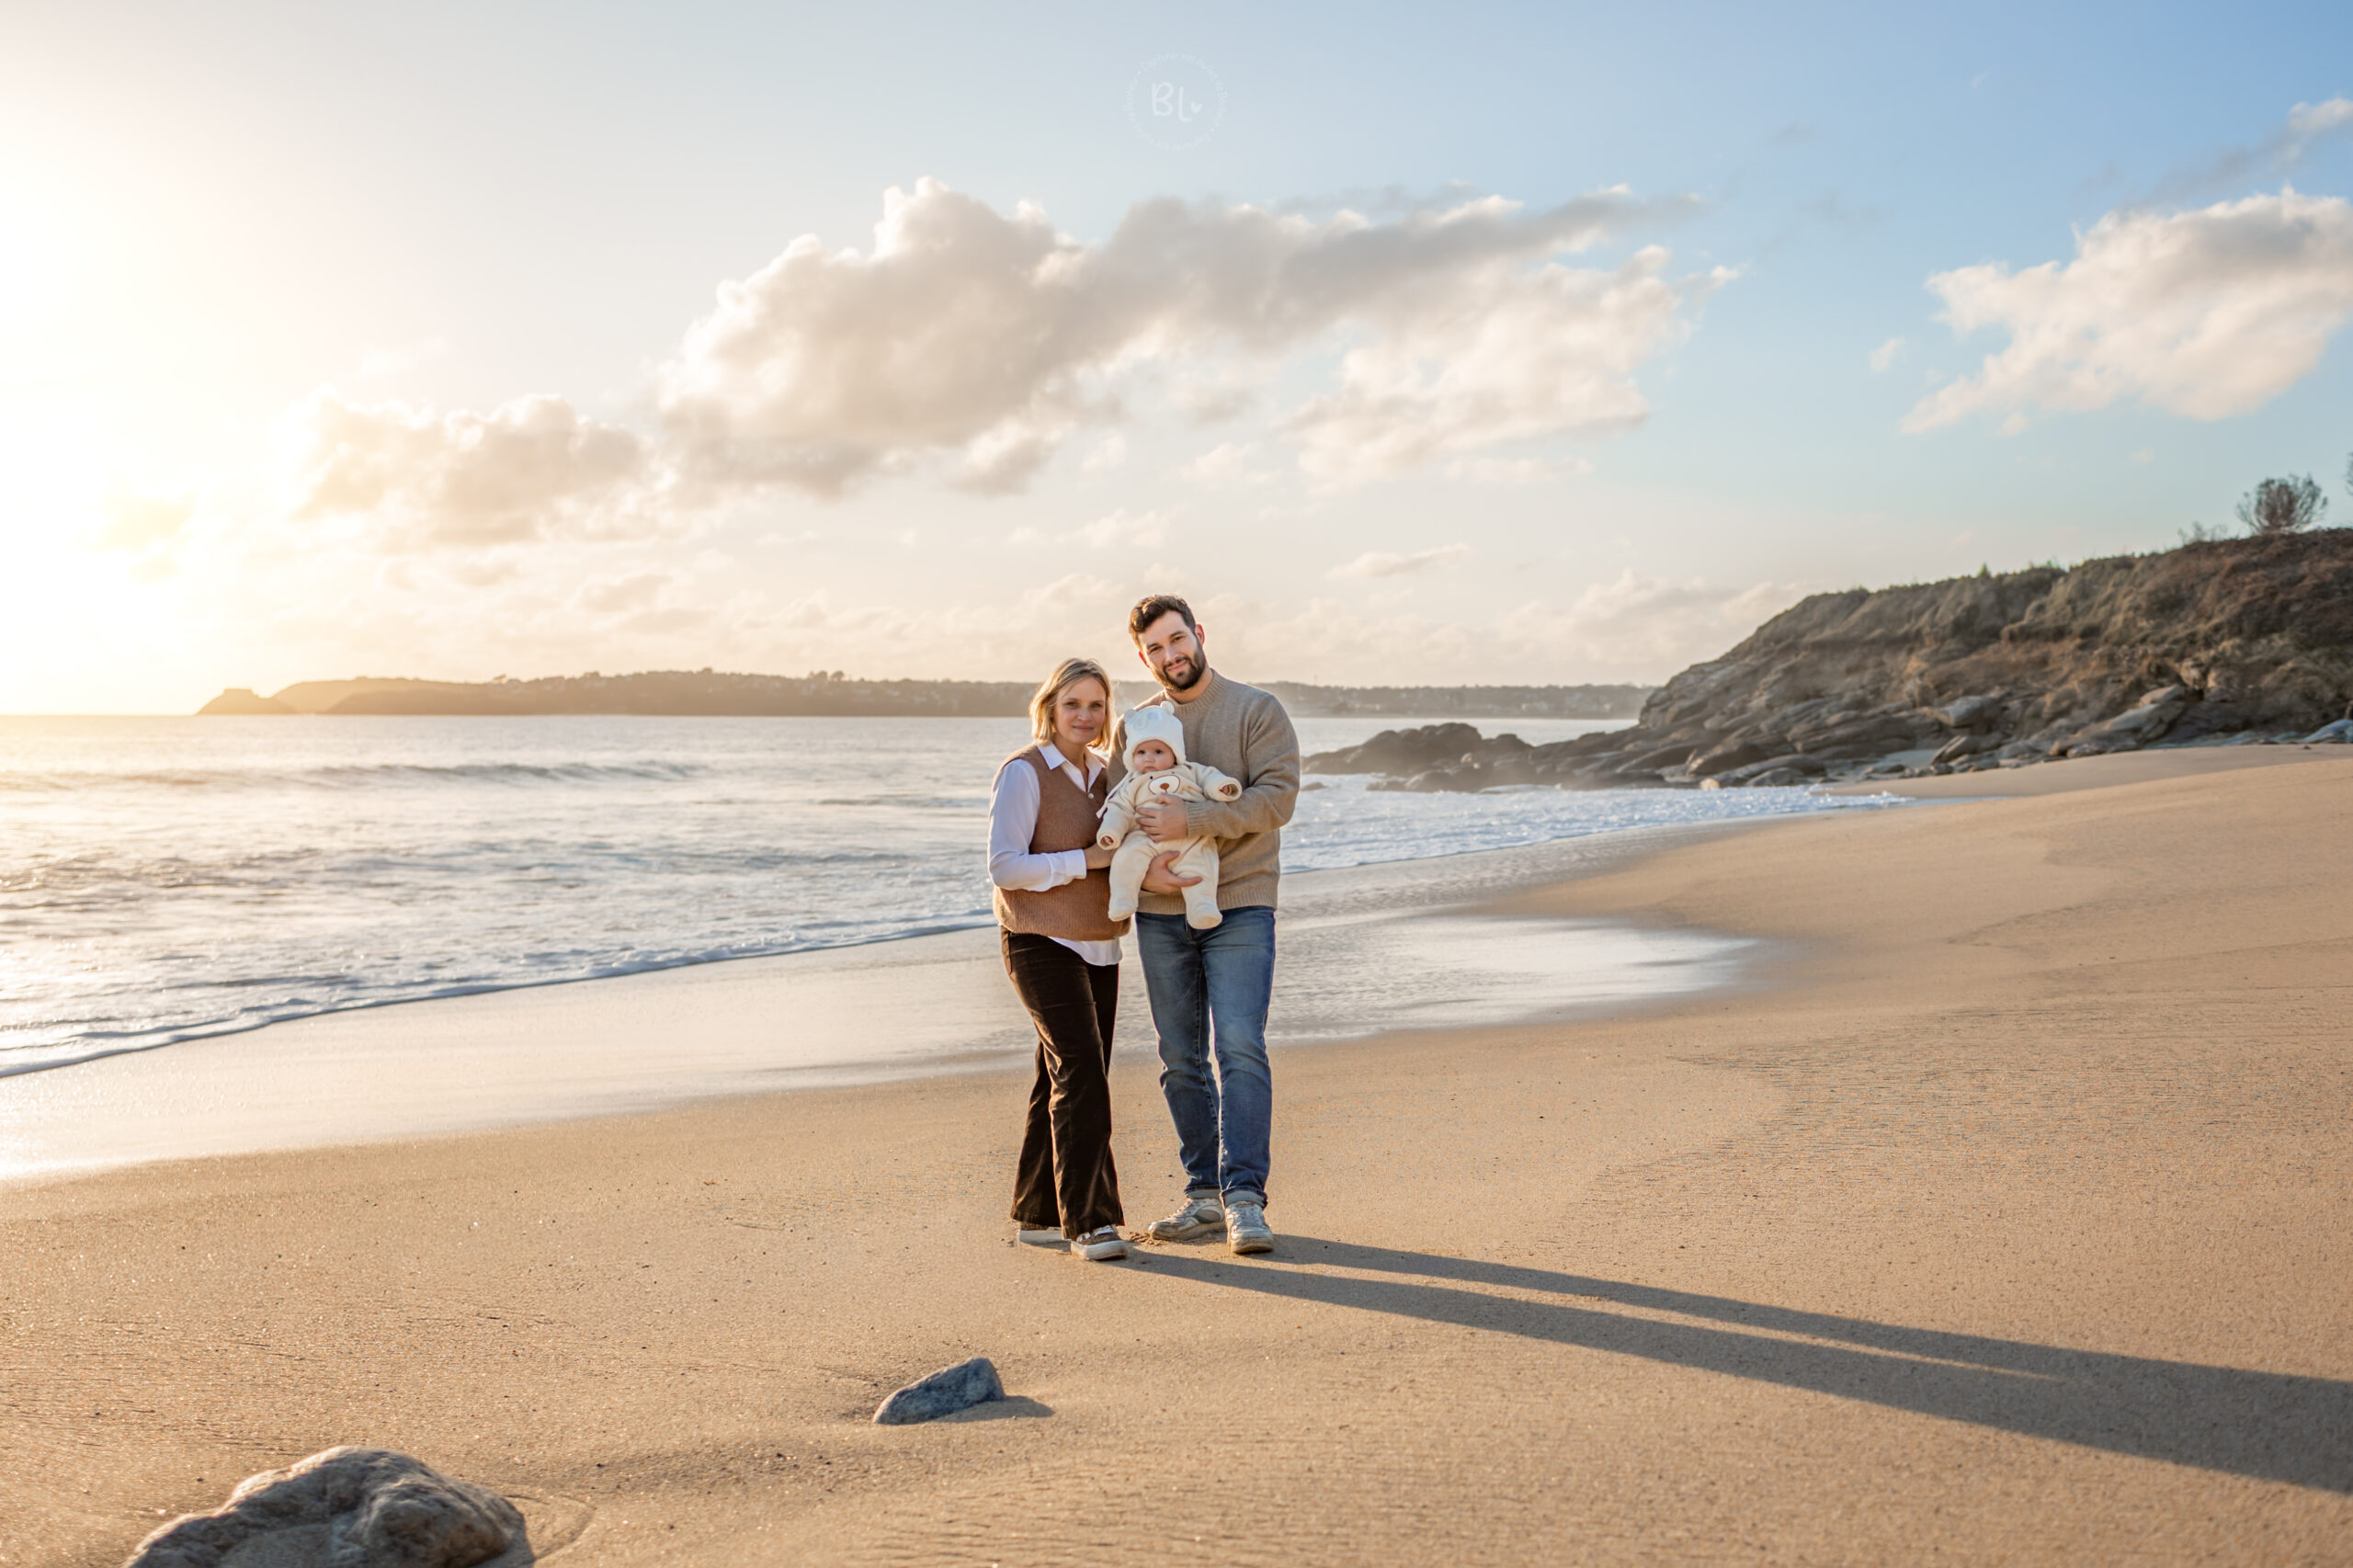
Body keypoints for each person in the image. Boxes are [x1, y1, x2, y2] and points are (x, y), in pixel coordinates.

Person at [1108, 595, 1302, 1256]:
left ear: (1199, 634)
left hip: (1242, 899)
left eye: (1177, 639)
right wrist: (1150, 878)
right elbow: (1117, 805)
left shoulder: (1256, 710)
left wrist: (1195, 823)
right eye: (1156, 649)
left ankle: (1244, 1199)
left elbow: (1276, 799)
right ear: (1143, 657)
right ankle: (1201, 1199)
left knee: (1241, 1045)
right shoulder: (1134, 724)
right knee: (1179, 1056)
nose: (1171, 656)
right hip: (1161, 914)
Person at [986, 657, 1131, 1262]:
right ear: (1050, 707)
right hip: (1038, 942)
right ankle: (1087, 1221)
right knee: (1082, 1074)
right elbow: (1004, 865)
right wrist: (1083, 861)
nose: (1085, 715)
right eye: (1073, 703)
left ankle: (1039, 1214)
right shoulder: (1024, 772)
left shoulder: (1109, 774)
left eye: (1096, 705)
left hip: (1102, 943)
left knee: (1058, 1074)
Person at [1097, 705, 1244, 929]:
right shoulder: (1131, 783)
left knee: (1203, 862)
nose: (1149, 759)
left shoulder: (1189, 771)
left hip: (1192, 839)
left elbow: (1210, 778)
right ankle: (1123, 898)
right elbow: (1119, 809)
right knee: (1127, 857)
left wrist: (1222, 788)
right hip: (1145, 837)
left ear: (1174, 752)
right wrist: (1111, 832)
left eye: (1158, 752)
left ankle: (1202, 906)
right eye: (1141, 753)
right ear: (1131, 756)